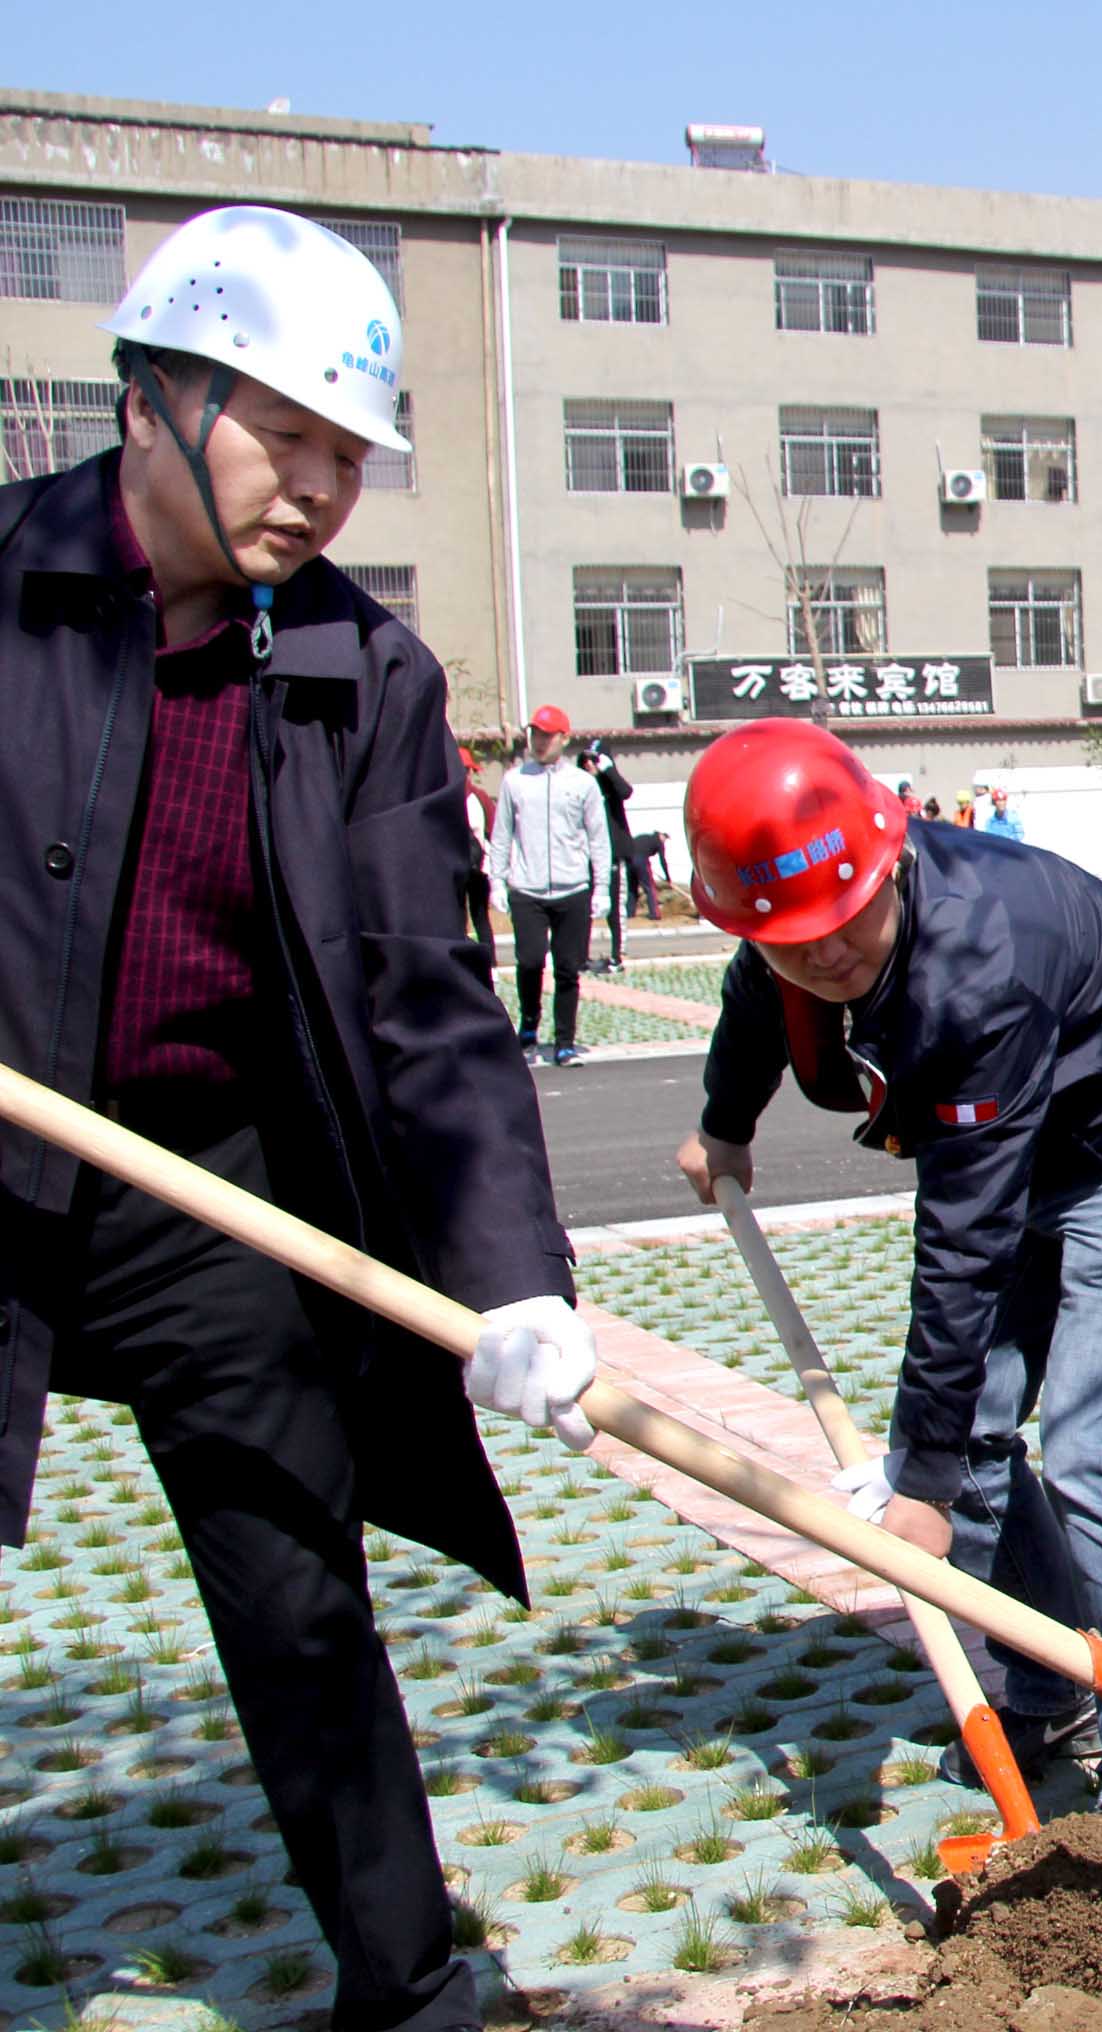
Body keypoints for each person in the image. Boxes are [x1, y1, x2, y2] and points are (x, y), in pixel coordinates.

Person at [0, 204, 598, 2032]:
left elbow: (432, 1002)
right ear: (155, 398)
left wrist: (513, 1275)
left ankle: (411, 1990)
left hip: (205, 1195)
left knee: (297, 1593)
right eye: (291, 436)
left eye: (352, 454)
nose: (324, 491)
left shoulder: (363, 676)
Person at [672, 717, 1102, 1839]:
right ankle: (1050, 1682)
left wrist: (915, 1490)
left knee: (1091, 1442)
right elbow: (755, 992)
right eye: (795, 939)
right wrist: (724, 1126)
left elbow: (965, 1244)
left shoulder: (979, 964)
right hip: (1023, 1145)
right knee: (970, 1434)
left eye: (848, 923)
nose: (826, 954)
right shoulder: (793, 920)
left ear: (890, 859)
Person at [489, 704, 610, 1065]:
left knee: (567, 968)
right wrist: (497, 880)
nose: (540, 741)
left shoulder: (583, 784)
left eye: (548, 735)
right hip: (527, 888)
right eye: (536, 734)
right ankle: (528, 1024)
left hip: (572, 887)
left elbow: (598, 838)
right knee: (528, 961)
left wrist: (602, 887)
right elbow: (502, 834)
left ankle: (564, 1041)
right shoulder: (514, 780)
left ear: (564, 738)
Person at [581, 737, 641, 974]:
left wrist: (608, 770)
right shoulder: (582, 786)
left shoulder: (612, 786)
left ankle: (618, 955)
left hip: (614, 855)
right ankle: (581, 957)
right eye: (587, 760)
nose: (589, 765)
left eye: (594, 760)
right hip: (587, 856)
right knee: (583, 908)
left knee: (616, 907)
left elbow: (626, 792)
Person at [460, 742, 499, 972]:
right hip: (480, 866)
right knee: (480, 916)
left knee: (460, 917)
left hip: (457, 867)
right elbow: (494, 832)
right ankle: (490, 961)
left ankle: (463, 961)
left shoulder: (446, 796)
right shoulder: (481, 797)